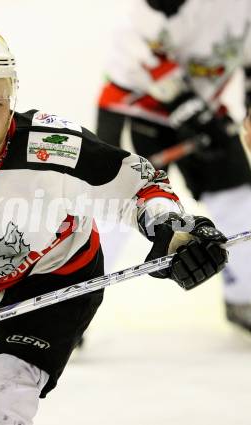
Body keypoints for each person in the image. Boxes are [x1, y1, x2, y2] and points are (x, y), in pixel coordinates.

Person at [0, 30, 228, 425]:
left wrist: (175, 231)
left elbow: (141, 186)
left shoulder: (54, 145)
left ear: (12, 96)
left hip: (59, 283)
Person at [96, 0, 251, 332]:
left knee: (239, 198)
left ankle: (245, 297)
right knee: (113, 208)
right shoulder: (158, 11)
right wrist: (188, 107)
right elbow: (137, 50)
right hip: (140, 108)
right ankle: (71, 307)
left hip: (205, 109)